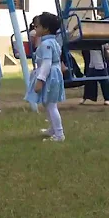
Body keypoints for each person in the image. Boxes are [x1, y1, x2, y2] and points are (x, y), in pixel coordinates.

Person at [25, 12, 66, 142]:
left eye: (37, 26)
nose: (35, 29)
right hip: (53, 73)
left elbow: (47, 62)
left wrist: (40, 80)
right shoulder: (53, 42)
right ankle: (53, 129)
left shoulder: (46, 44)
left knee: (51, 105)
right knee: (47, 102)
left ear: (46, 28)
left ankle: (59, 134)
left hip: (49, 75)